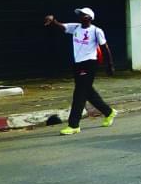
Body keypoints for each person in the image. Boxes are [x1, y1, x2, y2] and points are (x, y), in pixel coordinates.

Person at [44, 7, 117, 135]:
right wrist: (53, 20)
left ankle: (74, 125)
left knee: (79, 94)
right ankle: (109, 112)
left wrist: (110, 65)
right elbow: (63, 27)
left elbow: (105, 48)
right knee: (88, 92)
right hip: (78, 64)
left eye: (84, 15)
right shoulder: (76, 27)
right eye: (80, 14)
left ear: (89, 18)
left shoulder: (96, 31)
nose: (81, 16)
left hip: (89, 63)